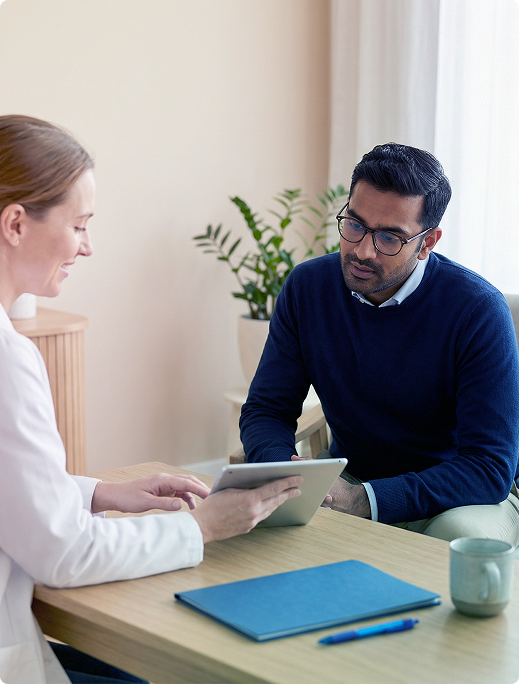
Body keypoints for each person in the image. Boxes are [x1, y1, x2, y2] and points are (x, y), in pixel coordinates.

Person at [0, 115, 301, 684]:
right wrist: (203, 527)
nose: (88, 247)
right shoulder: (8, 361)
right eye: (80, 225)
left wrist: (99, 491)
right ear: (16, 223)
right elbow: (63, 556)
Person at [240, 142, 519, 545]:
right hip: (353, 478)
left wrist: (367, 499)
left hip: (460, 496)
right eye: (354, 224)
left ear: (428, 242)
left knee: (454, 541)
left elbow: (488, 467)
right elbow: (267, 409)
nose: (362, 250)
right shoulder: (308, 288)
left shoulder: (477, 310)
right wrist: (281, 470)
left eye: (390, 237)